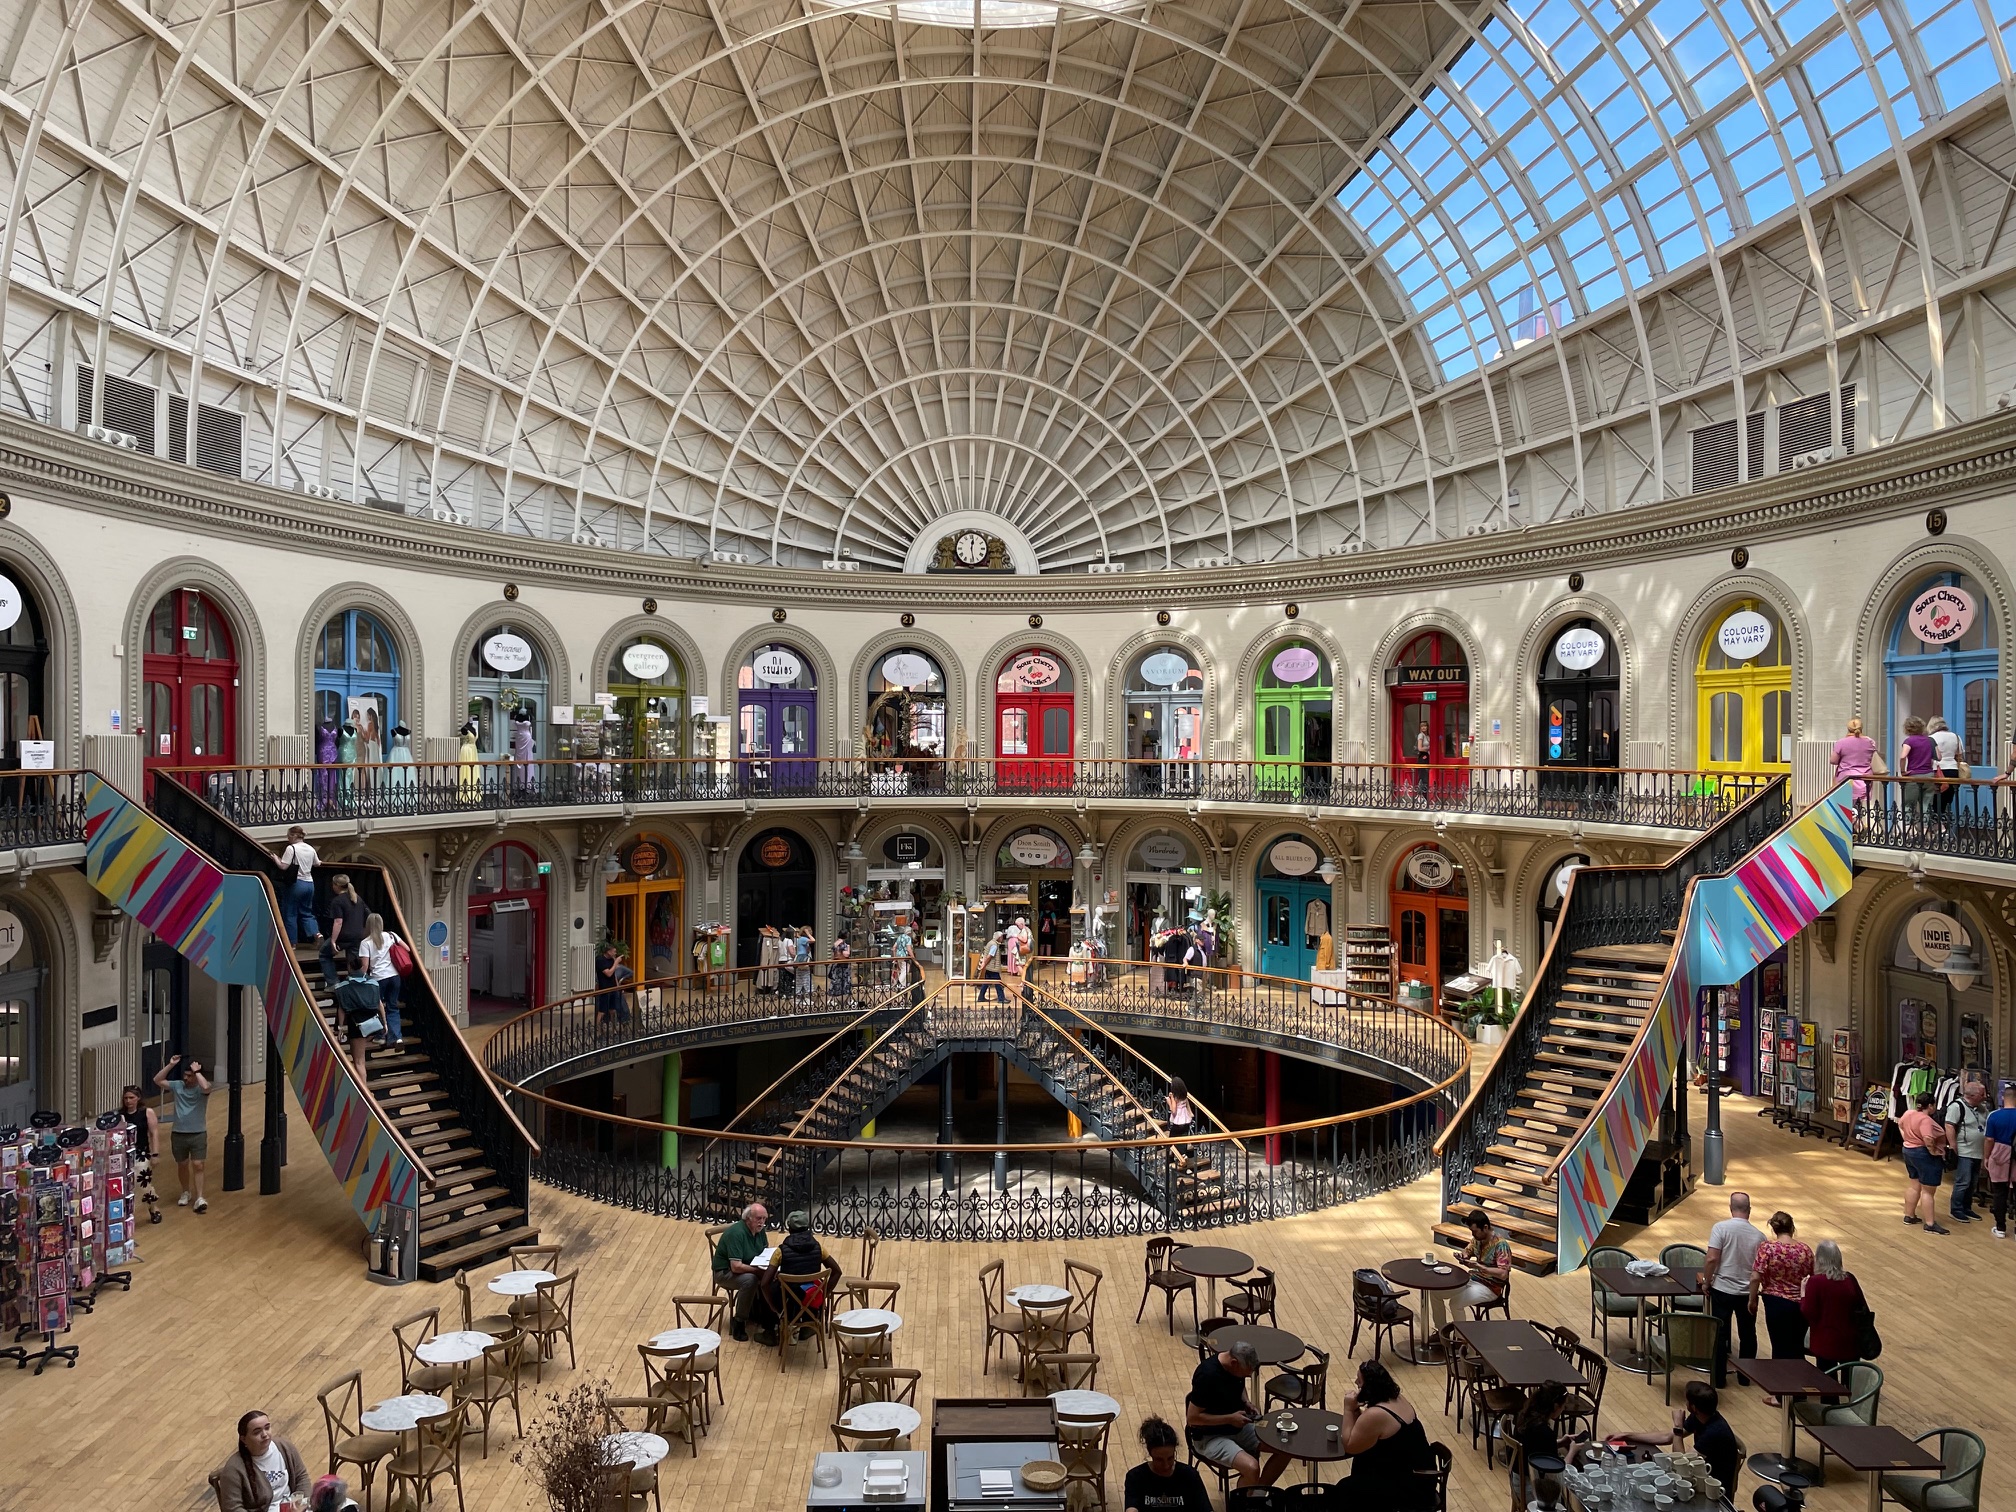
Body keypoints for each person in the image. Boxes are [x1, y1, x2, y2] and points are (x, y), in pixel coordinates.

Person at [1185, 1338, 1287, 1488]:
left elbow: (1239, 1386)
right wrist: (1229, 1419)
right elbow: (1192, 1418)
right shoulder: (1207, 1376)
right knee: (1251, 1467)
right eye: (1245, 1374)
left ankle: (1257, 1496)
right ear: (1234, 1363)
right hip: (1209, 1437)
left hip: (1238, 1428)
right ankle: (1243, 1505)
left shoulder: (1234, 1368)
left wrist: (1246, 1402)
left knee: (1285, 1447)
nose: (1245, 1378)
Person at [1616, 1381, 1740, 1499]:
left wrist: (1677, 1426)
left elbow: (1681, 1463)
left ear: (1693, 1407)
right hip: (1699, 1480)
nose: (1685, 1403)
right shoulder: (1702, 1416)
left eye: (1687, 1400)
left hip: (1712, 1493)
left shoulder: (1714, 1432)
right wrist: (1628, 1435)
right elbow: (1668, 1437)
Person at [1340, 1359, 1435, 1508]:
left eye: (1359, 1382)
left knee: (1345, 1490)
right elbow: (1365, 1432)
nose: (1356, 1384)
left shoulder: (1377, 1414)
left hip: (1409, 1488)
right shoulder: (1396, 1398)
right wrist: (1356, 1409)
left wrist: (1348, 1408)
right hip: (1418, 1476)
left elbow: (1350, 1445)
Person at [1747, 1212, 1813, 1399]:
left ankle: (1781, 1396)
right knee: (1796, 1347)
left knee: (1779, 1347)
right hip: (1800, 1304)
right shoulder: (1805, 1250)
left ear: (1774, 1229)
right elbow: (1811, 1277)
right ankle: (1799, 1391)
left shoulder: (1767, 1248)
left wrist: (1752, 1300)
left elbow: (1755, 1276)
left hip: (1775, 1303)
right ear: (1792, 1227)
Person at [1701, 1190, 1761, 1387]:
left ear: (1730, 1208)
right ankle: (1745, 1377)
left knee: (1720, 1335)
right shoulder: (1759, 1236)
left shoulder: (1720, 1228)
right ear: (1749, 1210)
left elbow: (1712, 1258)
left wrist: (1707, 1281)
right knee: (1748, 1334)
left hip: (1722, 1290)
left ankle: (1718, 1379)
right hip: (1746, 1293)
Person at [762, 1209, 840, 1341]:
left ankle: (769, 1332)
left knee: (764, 1289)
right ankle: (808, 1324)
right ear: (807, 1227)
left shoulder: (780, 1251)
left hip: (787, 1300)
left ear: (789, 1228)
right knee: (810, 1286)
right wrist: (823, 1294)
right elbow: (837, 1272)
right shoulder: (819, 1248)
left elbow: (764, 1283)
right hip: (811, 1297)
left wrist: (772, 1306)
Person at [1428, 1207, 1509, 1329]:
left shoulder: (1501, 1245)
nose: (1473, 1234)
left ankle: (1461, 1339)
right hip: (1472, 1280)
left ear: (1485, 1227)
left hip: (1490, 1287)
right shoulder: (1477, 1239)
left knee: (1455, 1303)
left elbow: (1503, 1274)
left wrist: (1480, 1267)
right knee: (1435, 1293)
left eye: (1475, 1231)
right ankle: (1441, 1332)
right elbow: (1468, 1250)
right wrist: (1463, 1256)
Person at [213, 1409, 309, 1511]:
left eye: (267, 1428)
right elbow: (233, 1508)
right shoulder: (233, 1470)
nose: (265, 1434)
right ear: (243, 1439)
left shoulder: (285, 1447)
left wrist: (300, 1505)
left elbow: (302, 1478)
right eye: (257, 1432)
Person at [1799, 1239, 1868, 1375]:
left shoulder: (1815, 1282)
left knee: (1827, 1385)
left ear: (1819, 1259)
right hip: (1850, 1341)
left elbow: (1809, 1312)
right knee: (1850, 1383)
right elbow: (1861, 1306)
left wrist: (1803, 1293)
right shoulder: (1849, 1279)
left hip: (1825, 1343)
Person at [152, 1053, 211, 1213]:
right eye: (185, 1075)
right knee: (182, 1164)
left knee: (198, 1165)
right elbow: (157, 1080)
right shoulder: (177, 1085)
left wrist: (197, 1072)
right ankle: (185, 1191)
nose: (186, 1079)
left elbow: (206, 1088)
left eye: (190, 1076)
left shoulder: (201, 1088)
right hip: (178, 1133)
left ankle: (199, 1196)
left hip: (198, 1132)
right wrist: (171, 1064)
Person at [1511, 1381, 1583, 1506]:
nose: (1563, 1410)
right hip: (1535, 1492)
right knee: (1575, 1494)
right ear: (1555, 1406)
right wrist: (1572, 1451)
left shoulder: (1524, 1417)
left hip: (1517, 1481)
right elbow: (1556, 1476)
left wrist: (1560, 1442)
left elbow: (1534, 1447)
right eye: (1563, 1406)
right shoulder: (1545, 1433)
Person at [1123, 1415, 1213, 1512]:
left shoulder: (1190, 1476)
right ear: (1150, 1453)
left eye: (1170, 1458)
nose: (1166, 1466)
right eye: (1159, 1460)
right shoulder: (1135, 1477)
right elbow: (1131, 1508)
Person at [711, 1202, 772, 1341]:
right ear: (748, 1218)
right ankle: (739, 1322)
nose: (762, 1222)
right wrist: (758, 1271)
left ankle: (760, 1314)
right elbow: (736, 1266)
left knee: (769, 1276)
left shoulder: (760, 1231)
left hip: (748, 1266)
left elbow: (764, 1252)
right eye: (759, 1218)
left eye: (764, 1218)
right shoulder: (737, 1234)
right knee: (750, 1280)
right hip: (724, 1272)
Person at [1898, 1090, 1952, 1233]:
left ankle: (1909, 1215)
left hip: (1908, 1151)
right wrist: (1933, 1151)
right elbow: (1928, 1138)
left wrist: (1907, 1139)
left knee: (1914, 1184)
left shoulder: (1909, 1113)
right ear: (1931, 1106)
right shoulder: (1925, 1120)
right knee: (1928, 1190)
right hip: (1923, 1154)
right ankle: (1930, 1224)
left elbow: (1900, 1125)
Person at [332, 950, 384, 1082]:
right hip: (374, 1024)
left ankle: (363, 1092)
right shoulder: (373, 984)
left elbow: (342, 1009)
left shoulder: (342, 987)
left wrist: (341, 1028)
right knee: (361, 1058)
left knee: (359, 1061)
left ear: (349, 967)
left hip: (357, 1025)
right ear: (362, 966)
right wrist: (385, 1023)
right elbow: (379, 1004)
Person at [357, 912, 406, 1049]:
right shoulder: (391, 935)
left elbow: (365, 966)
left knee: (377, 1006)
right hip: (395, 976)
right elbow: (407, 948)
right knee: (393, 1007)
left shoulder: (365, 943)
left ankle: (380, 1035)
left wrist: (358, 979)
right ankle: (397, 1038)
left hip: (378, 978)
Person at [1944, 1080, 1990, 1222]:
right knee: (1963, 1181)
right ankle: (1956, 1209)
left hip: (1978, 1151)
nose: (1985, 1096)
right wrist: (1953, 1145)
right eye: (1982, 1094)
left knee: (1973, 1181)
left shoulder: (1982, 1108)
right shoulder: (1956, 1107)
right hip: (1964, 1150)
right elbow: (1949, 1126)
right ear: (1972, 1095)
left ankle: (1967, 1207)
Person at [118, 1083, 163, 1224]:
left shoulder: (147, 1112)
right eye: (126, 1098)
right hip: (125, 1154)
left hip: (141, 1153)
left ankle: (153, 1207)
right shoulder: (120, 1115)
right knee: (124, 1184)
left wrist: (155, 1154)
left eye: (131, 1097)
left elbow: (154, 1133)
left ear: (138, 1098)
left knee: (144, 1182)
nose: (128, 1101)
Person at [320, 873, 369, 987]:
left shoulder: (337, 901)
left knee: (324, 954)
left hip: (343, 936)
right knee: (353, 962)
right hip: (358, 936)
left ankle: (333, 983)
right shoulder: (357, 898)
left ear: (337, 885)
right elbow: (368, 915)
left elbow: (338, 922)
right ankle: (355, 985)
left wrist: (333, 941)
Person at [274, 826, 320, 945]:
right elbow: (317, 864)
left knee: (290, 912)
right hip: (310, 883)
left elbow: (283, 866)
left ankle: (292, 942)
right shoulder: (310, 848)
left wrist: (275, 859)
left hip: (296, 884)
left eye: (289, 835)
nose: (288, 838)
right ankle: (316, 934)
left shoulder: (291, 848)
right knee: (307, 912)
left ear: (294, 836)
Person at [1984, 1083, 2016, 1238]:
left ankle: (2001, 1227)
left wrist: (1986, 1156)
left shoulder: (1994, 1116)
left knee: (1999, 1192)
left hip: (1999, 1154)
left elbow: (1989, 1139)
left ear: (2004, 1097)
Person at [1829, 717, 1878, 803]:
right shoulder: (1870, 742)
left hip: (1845, 780)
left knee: (1844, 808)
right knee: (1859, 810)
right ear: (1861, 728)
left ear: (1848, 729)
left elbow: (1833, 761)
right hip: (1864, 780)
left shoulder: (1841, 742)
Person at [1897, 715, 1936, 818]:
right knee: (1926, 805)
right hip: (1929, 775)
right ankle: (1925, 829)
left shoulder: (1909, 741)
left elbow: (1903, 756)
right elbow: (1939, 756)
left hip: (1914, 775)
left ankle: (1910, 830)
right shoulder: (1930, 740)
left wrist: (1902, 771)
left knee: (1908, 805)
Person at [1927, 714, 1962, 814]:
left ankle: (1937, 824)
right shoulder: (1956, 737)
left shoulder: (1931, 738)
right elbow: (1960, 754)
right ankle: (1945, 822)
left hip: (1938, 771)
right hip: (1953, 770)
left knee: (1936, 800)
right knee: (1948, 800)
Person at [594, 942, 625, 1025]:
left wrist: (618, 986)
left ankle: (614, 1027)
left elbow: (613, 974)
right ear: (608, 951)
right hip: (605, 988)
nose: (615, 953)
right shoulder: (600, 960)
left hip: (613, 987)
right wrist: (616, 962)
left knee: (613, 1009)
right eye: (614, 952)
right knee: (602, 1010)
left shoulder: (611, 960)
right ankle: (598, 1029)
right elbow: (608, 973)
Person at [976, 931, 1005, 1002]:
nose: (1002, 938)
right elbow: (990, 956)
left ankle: (981, 997)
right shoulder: (994, 945)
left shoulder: (990, 943)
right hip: (993, 967)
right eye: (1001, 937)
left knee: (986, 983)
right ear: (998, 938)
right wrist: (984, 964)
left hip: (989, 967)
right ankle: (1001, 998)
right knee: (998, 983)